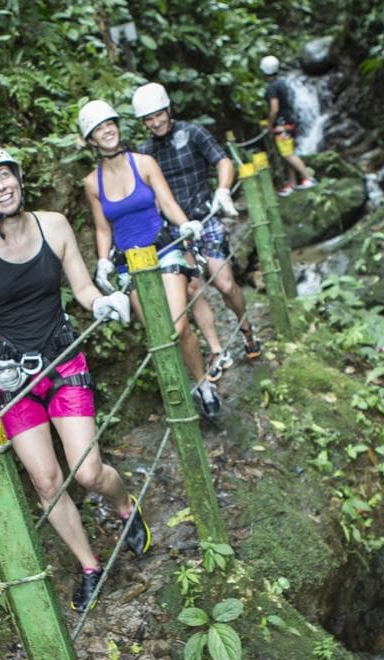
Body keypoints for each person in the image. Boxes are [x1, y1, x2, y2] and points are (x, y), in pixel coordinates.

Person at [0, 144, 151, 612]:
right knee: (46, 482)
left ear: (18, 179)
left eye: (6, 176)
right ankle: (89, 565)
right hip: (13, 379)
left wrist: (101, 302)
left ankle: (124, 507)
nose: (2, 187)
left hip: (62, 361)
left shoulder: (54, 225)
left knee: (87, 472)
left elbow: (81, 286)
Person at [77, 99, 223, 419]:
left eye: (110, 124)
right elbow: (103, 227)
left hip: (164, 250)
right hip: (130, 262)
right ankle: (180, 389)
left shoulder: (143, 163)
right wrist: (103, 261)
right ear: (90, 140)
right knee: (159, 333)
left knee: (178, 325)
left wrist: (184, 223)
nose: (108, 131)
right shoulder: (92, 183)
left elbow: (167, 202)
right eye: (100, 129)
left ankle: (203, 385)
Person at [133, 81, 263, 381]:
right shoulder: (145, 152)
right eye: (148, 119)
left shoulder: (192, 133)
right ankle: (218, 350)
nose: (155, 123)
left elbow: (223, 160)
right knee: (193, 291)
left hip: (204, 219)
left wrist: (222, 190)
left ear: (168, 109)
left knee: (226, 284)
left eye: (158, 115)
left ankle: (246, 328)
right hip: (176, 233)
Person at [259, 55, 317, 197]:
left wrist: (269, 124)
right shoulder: (283, 83)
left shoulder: (272, 87)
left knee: (288, 154)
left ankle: (309, 178)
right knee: (287, 154)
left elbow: (274, 109)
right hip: (291, 123)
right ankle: (292, 183)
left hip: (282, 126)